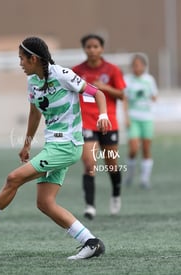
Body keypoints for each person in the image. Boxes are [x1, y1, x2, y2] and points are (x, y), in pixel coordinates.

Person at [0, 36, 111, 260]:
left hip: (68, 145)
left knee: (14, 178)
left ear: (33, 58)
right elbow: (34, 112)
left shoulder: (62, 75)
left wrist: (103, 115)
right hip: (54, 145)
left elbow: (97, 93)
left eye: (22, 59)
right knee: (45, 203)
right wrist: (26, 144)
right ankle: (91, 243)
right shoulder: (33, 81)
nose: (20, 63)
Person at [72, 34, 126, 219]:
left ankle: (116, 194)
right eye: (88, 47)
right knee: (89, 164)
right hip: (86, 122)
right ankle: (90, 206)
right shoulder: (76, 71)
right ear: (84, 49)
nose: (92, 50)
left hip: (108, 123)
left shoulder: (112, 70)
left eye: (95, 46)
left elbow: (121, 94)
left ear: (102, 49)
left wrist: (103, 87)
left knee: (111, 164)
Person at [123, 54, 158, 188]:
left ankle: (144, 179)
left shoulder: (149, 80)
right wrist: (126, 117)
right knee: (133, 148)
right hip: (133, 118)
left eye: (138, 65)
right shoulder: (127, 80)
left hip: (147, 118)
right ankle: (130, 175)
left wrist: (148, 96)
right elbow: (124, 99)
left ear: (144, 66)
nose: (135, 68)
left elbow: (155, 96)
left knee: (146, 148)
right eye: (134, 65)